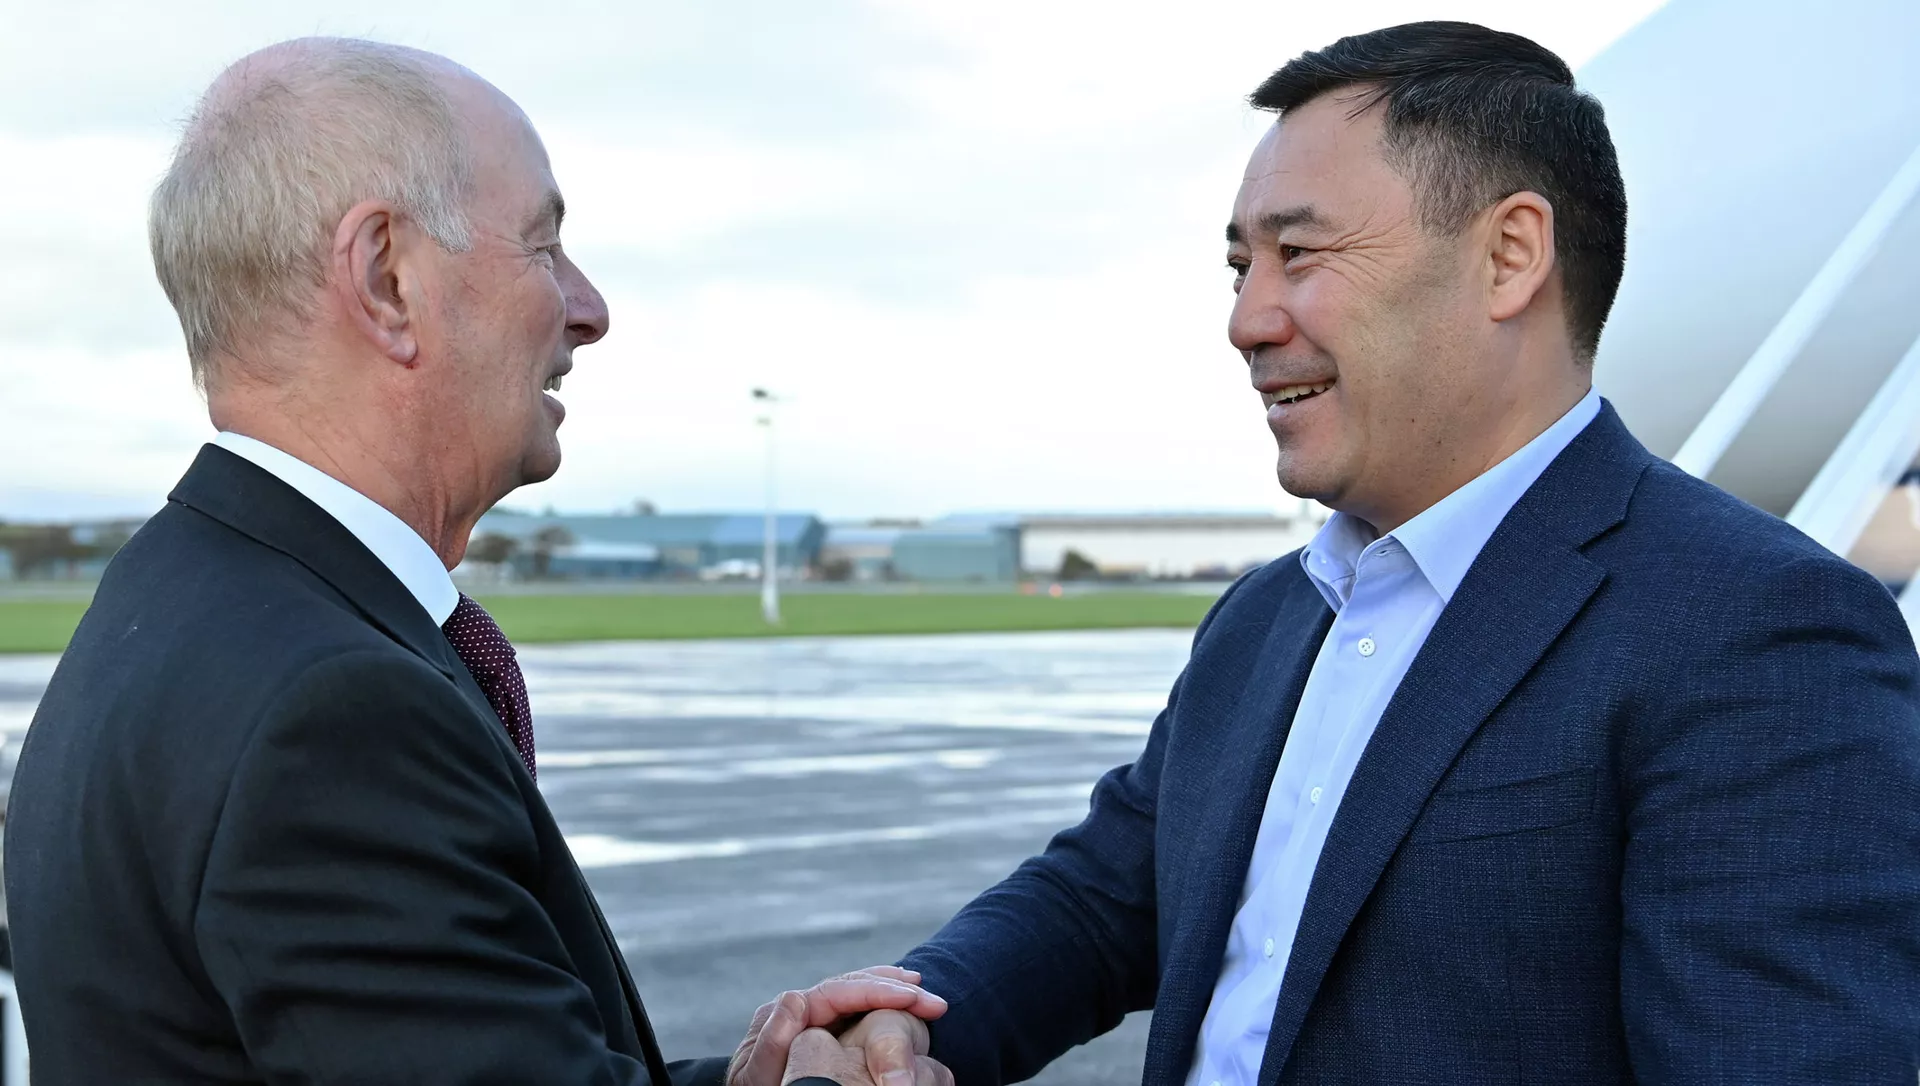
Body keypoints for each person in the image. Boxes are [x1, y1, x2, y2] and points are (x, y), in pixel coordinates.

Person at [850, 20, 1920, 1085]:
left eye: (1300, 254)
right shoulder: (1267, 616)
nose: (1247, 321)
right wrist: (906, 1021)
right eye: (1240, 267)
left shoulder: (1756, 630)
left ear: (1508, 257)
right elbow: (1104, 901)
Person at [2, 38, 951, 1086]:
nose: (590, 309)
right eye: (543, 246)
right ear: (387, 281)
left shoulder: (178, 602)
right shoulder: (330, 711)